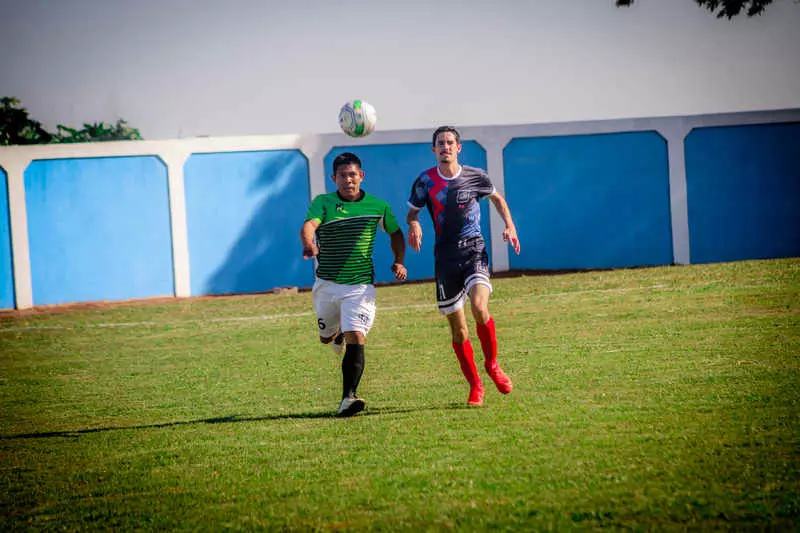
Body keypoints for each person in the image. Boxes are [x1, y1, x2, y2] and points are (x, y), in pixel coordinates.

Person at [406, 126, 521, 406]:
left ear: (459, 148)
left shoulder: (475, 176)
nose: (445, 147)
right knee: (459, 331)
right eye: (440, 143)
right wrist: (414, 225)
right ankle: (475, 386)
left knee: (480, 307)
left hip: (474, 251)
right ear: (433, 150)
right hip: (445, 260)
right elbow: (412, 213)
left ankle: (492, 365)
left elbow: (497, 199)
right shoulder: (424, 182)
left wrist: (510, 225)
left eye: (450, 142)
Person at [301, 152, 407, 417]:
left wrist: (399, 261)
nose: (348, 180)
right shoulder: (323, 203)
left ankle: (348, 397)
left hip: (360, 286)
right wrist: (308, 243)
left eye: (353, 174)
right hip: (327, 284)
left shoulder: (377, 206)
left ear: (361, 176)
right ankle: (334, 334)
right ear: (333, 178)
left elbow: (395, 232)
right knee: (326, 338)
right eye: (342, 175)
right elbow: (309, 226)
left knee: (357, 336)